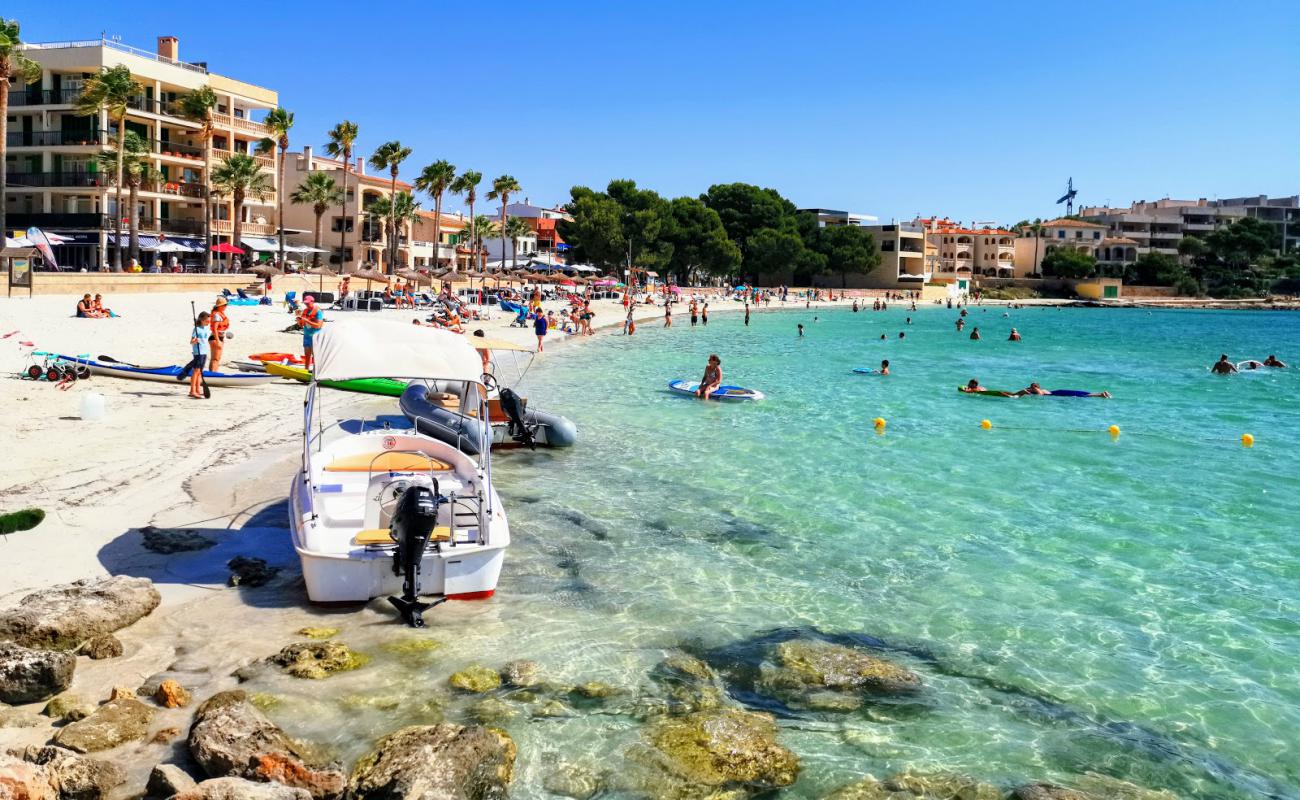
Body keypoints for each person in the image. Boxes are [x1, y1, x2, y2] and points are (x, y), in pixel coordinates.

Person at [183, 311, 211, 399]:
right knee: (196, 372)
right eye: (207, 321)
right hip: (198, 353)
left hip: (204, 352)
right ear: (202, 320)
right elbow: (191, 342)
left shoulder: (206, 328)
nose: (208, 322)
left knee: (199, 372)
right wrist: (195, 341)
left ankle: (198, 390)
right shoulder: (196, 329)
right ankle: (192, 391)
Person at [299, 295, 325, 369]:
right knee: (307, 355)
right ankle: (306, 370)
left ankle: (317, 371)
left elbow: (318, 325)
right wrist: (300, 322)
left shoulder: (318, 312)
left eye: (307, 303)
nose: (306, 304)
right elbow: (302, 325)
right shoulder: (305, 311)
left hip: (316, 337)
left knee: (316, 356)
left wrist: (307, 321)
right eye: (305, 303)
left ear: (312, 302)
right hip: (307, 336)